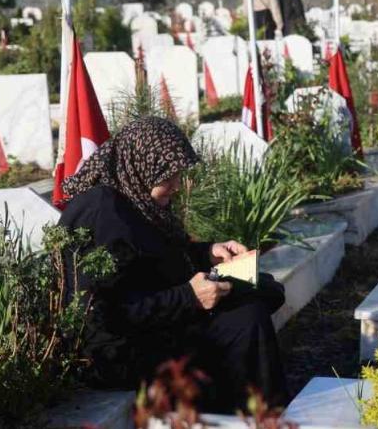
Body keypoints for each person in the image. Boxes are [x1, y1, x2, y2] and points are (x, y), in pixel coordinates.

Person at [57, 117, 290, 412]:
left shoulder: (134, 199)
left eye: (177, 175)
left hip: (153, 325)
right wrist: (188, 297)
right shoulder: (101, 213)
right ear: (142, 165)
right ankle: (257, 416)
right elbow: (99, 316)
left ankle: (257, 413)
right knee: (244, 322)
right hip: (118, 352)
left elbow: (155, 259)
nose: (176, 186)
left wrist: (208, 253)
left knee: (258, 292)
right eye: (168, 176)